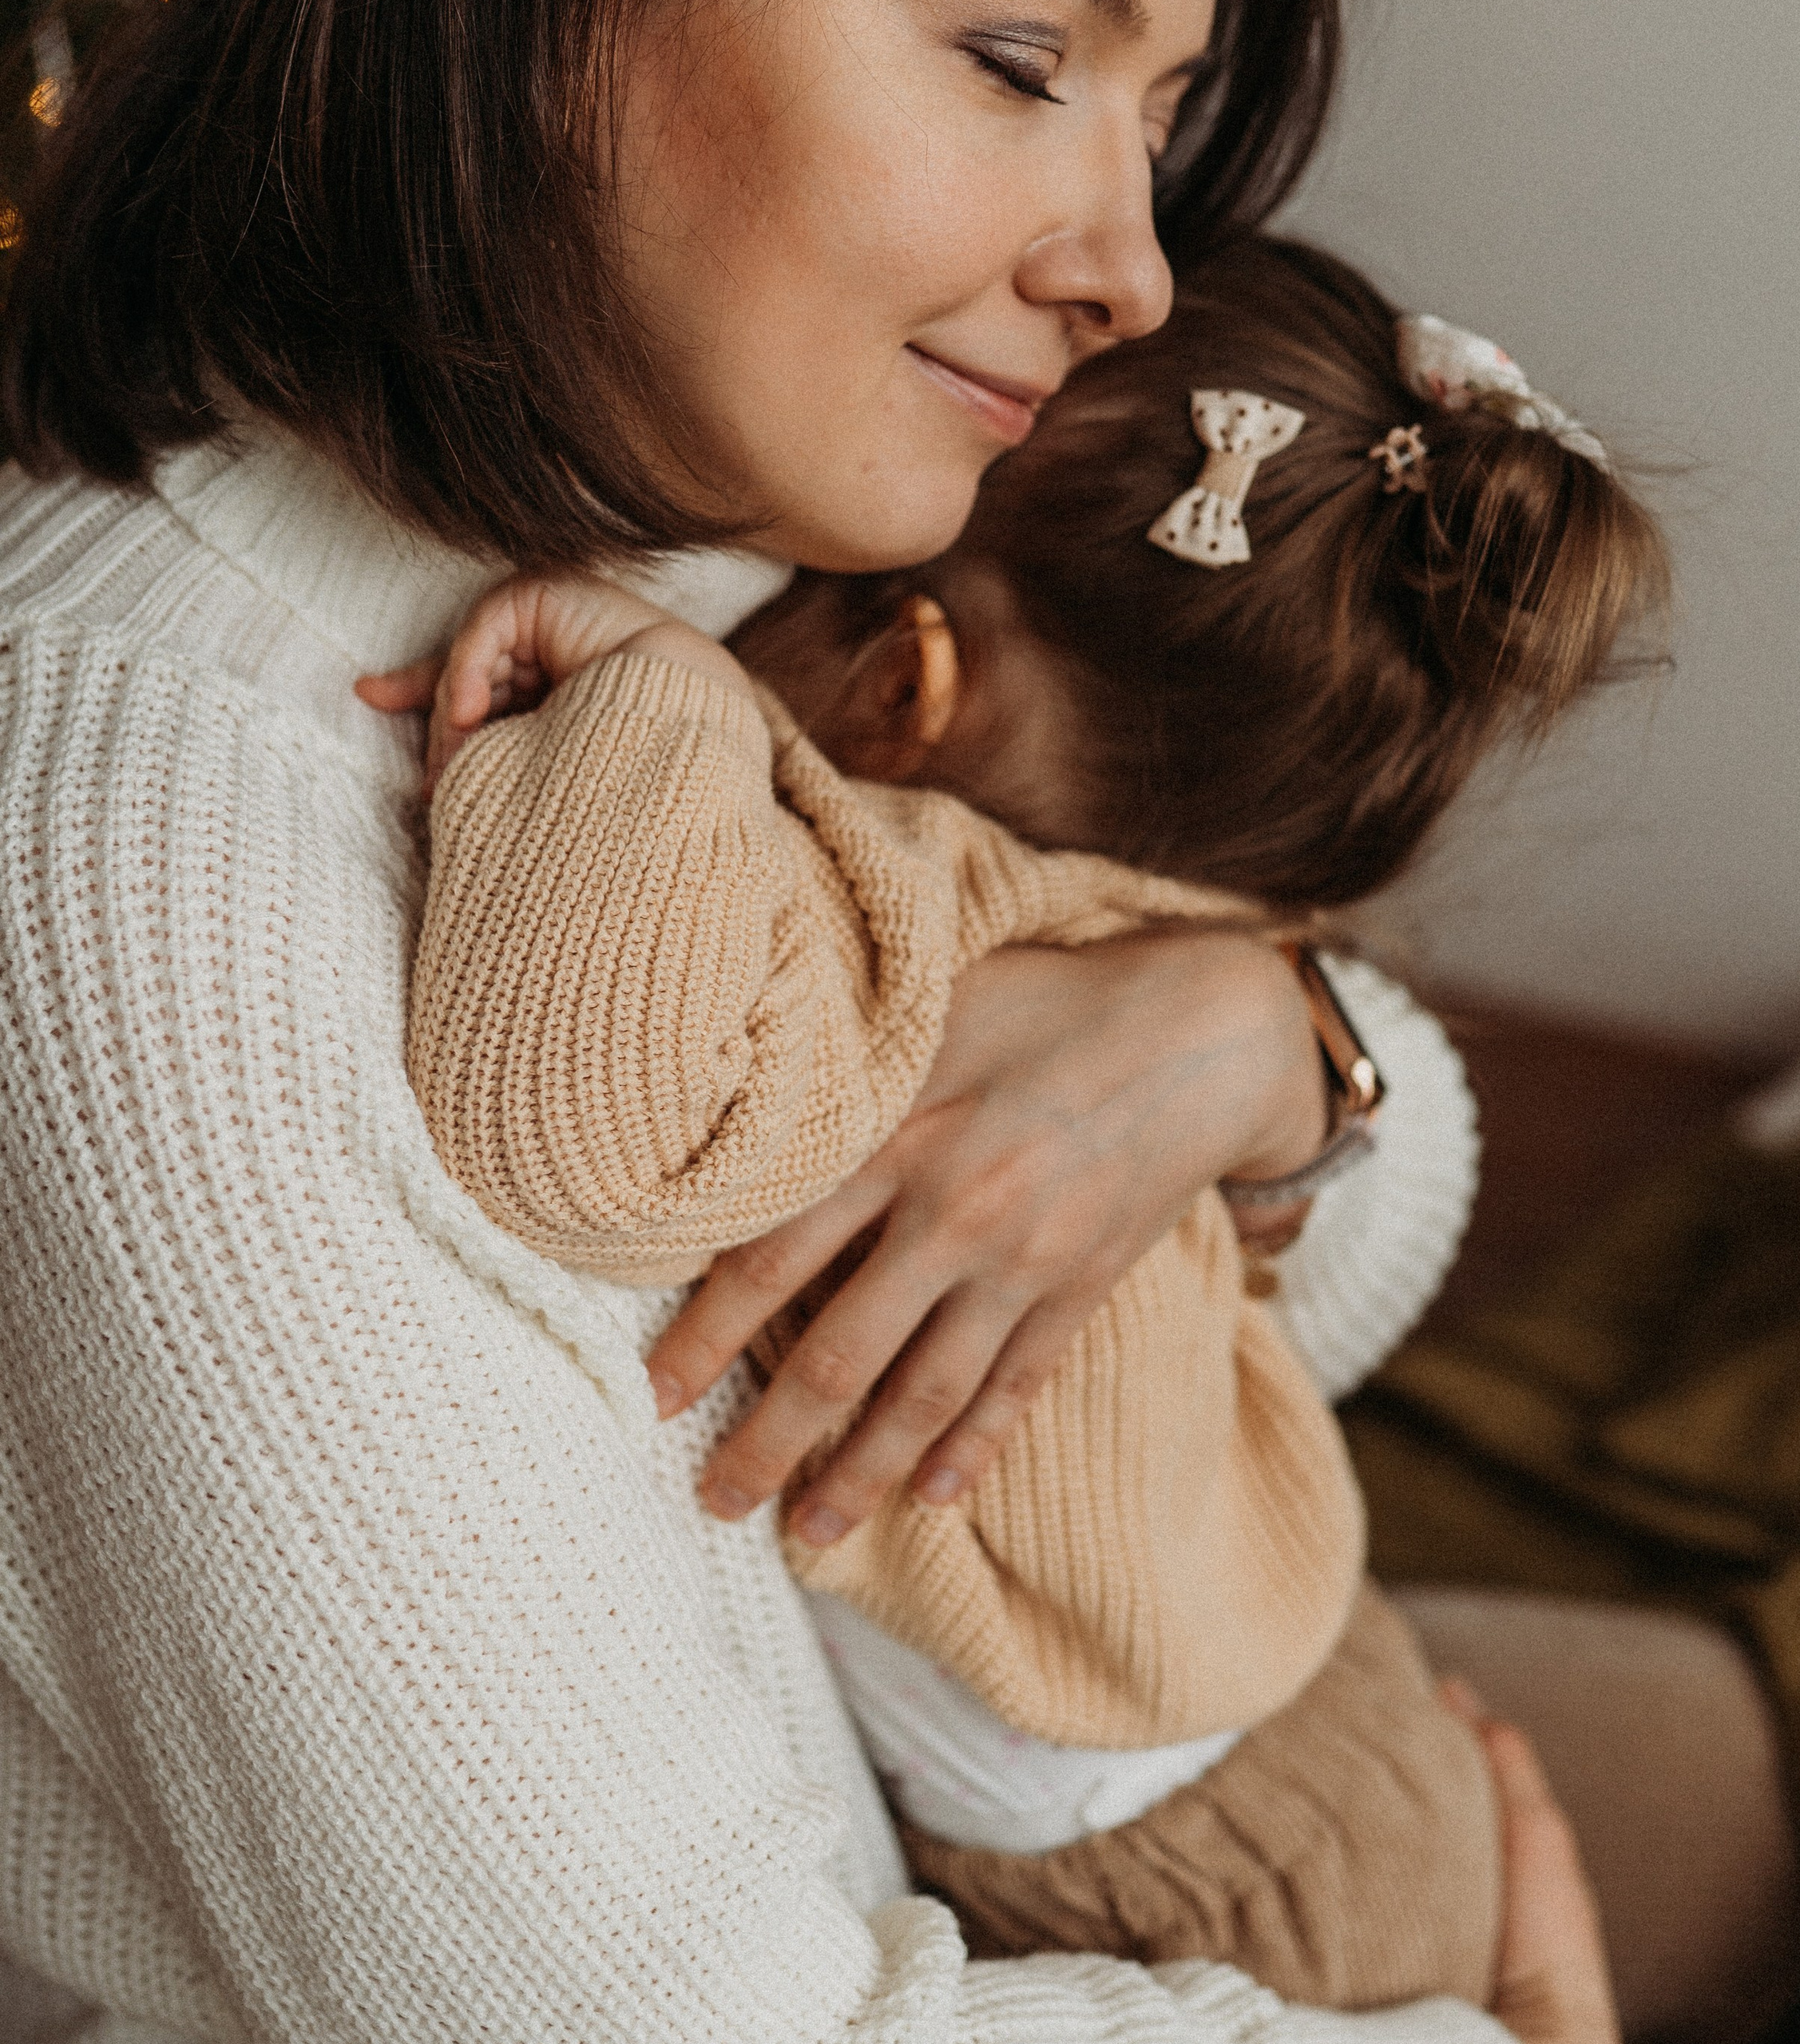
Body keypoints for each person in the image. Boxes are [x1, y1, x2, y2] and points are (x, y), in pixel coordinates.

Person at [0, 1, 1644, 2039]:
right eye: (1019, 55)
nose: (1131, 265)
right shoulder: (140, 876)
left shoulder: (699, 548)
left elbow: (1230, 1339)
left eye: (1170, 111)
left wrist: (1251, 1041)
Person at [381, 230, 1669, 2017]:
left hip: (1234, 1904)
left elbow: (577, 1129)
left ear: (902, 684)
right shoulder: (1182, 918)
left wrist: (650, 689)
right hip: (1323, 1734)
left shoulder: (900, 898)